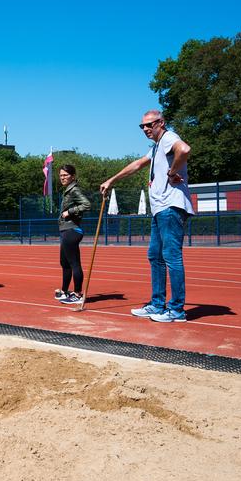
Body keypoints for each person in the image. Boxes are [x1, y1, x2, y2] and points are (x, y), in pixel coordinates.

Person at [101, 109, 194, 322]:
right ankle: (157, 304)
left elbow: (185, 149)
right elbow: (136, 165)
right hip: (160, 209)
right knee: (155, 255)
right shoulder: (156, 147)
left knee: (171, 256)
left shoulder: (169, 137)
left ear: (161, 123)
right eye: (142, 126)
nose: (145, 129)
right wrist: (112, 180)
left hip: (171, 207)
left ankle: (177, 310)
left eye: (149, 125)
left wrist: (171, 173)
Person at [55, 165, 92, 305]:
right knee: (64, 263)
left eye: (65, 175)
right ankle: (65, 291)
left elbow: (87, 205)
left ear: (73, 176)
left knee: (74, 263)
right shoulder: (68, 190)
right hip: (65, 230)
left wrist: (70, 212)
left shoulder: (74, 190)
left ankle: (77, 294)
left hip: (72, 230)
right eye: (61, 175)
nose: (62, 178)